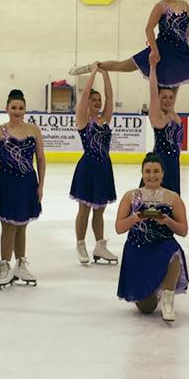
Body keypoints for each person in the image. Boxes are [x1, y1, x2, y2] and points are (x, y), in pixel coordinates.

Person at [115, 153, 189, 322]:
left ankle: (168, 298)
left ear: (163, 173)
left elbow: (183, 231)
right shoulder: (130, 196)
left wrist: (167, 221)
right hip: (137, 249)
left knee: (174, 253)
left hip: (163, 246)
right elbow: (119, 228)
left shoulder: (173, 198)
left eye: (156, 171)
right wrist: (135, 218)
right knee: (147, 309)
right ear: (142, 173)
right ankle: (154, 288)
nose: (152, 175)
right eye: (148, 171)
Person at [0, 89, 46, 288]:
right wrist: (5, 158)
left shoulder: (33, 130)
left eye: (20, 108)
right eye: (13, 107)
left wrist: (41, 185)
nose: (17, 111)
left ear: (25, 109)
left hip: (28, 182)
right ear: (6, 108)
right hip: (6, 182)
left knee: (22, 225)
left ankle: (20, 264)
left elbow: (40, 158)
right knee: (8, 226)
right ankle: (4, 265)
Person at [69, 65, 119, 265]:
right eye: (94, 100)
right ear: (88, 102)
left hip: (104, 168)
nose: (98, 102)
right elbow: (83, 96)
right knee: (84, 210)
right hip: (88, 167)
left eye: (99, 100)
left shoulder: (105, 119)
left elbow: (110, 97)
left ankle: (100, 245)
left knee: (100, 210)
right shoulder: (83, 120)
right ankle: (80, 244)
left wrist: (105, 73)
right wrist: (92, 73)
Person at [143, 49, 184, 194]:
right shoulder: (158, 115)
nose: (168, 100)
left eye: (170, 97)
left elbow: (177, 85)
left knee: (172, 200)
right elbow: (153, 91)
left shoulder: (172, 113)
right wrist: (153, 67)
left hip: (174, 164)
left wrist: (179, 64)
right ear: (159, 98)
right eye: (164, 97)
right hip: (160, 164)